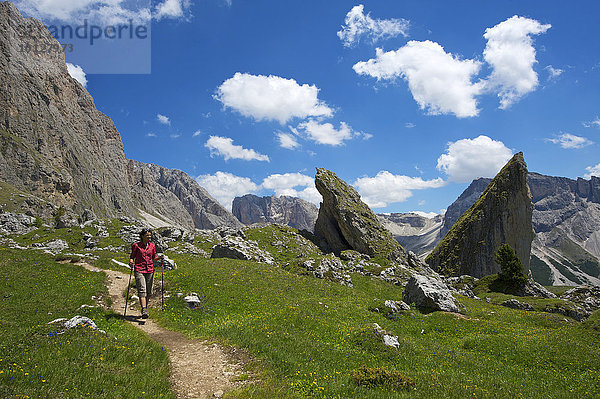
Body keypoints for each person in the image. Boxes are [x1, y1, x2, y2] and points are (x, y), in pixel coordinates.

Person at [129, 228, 163, 319]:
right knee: (142, 289)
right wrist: (131, 262)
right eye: (147, 235)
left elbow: (154, 257)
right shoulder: (136, 246)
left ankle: (145, 308)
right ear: (142, 236)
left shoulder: (152, 246)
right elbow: (132, 256)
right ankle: (144, 309)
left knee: (149, 292)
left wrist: (160, 258)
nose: (149, 237)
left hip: (150, 270)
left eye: (150, 235)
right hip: (139, 269)